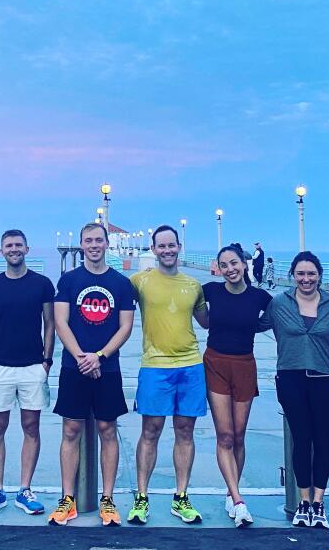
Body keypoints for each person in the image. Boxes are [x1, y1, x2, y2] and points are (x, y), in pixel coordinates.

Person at [46, 223, 135, 527]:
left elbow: (125, 327)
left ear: (107, 243)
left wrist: (99, 356)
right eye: (88, 241)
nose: (94, 245)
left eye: (99, 240)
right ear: (81, 245)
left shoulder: (121, 284)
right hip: (74, 367)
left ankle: (107, 500)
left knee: (107, 430)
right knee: (71, 431)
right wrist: (82, 357)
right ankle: (67, 499)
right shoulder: (69, 280)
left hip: (107, 368)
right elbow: (61, 322)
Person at [128, 225, 207, 525]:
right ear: (153, 248)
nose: (167, 250)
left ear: (179, 246)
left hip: (190, 366)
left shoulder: (193, 285)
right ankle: (141, 498)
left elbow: (208, 321)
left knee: (185, 432)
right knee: (151, 431)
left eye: (171, 245)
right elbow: (113, 304)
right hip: (154, 366)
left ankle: (181, 497)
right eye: (161, 246)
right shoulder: (140, 282)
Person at [0, 229, 55, 517]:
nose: (14, 249)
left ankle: (25, 489)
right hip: (0, 367)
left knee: (31, 427)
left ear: (27, 248)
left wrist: (46, 361)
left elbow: (50, 323)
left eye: (18, 245)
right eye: (8, 245)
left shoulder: (42, 284)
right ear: (1, 251)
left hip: (33, 367)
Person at [195, 243, 271, 528]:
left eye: (234, 263)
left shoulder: (259, 297)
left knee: (239, 436)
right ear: (218, 268)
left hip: (245, 365)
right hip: (215, 362)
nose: (230, 269)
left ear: (244, 263)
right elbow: (185, 298)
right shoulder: (211, 290)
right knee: (225, 435)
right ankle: (239, 500)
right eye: (224, 265)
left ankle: (231, 492)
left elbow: (278, 316)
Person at [263, 251, 329, 529]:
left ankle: (319, 503)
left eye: (311, 274)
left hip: (323, 379)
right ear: (292, 276)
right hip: (291, 379)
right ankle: (303, 502)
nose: (306, 279)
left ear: (319, 275)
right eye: (301, 274)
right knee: (301, 439)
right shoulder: (279, 303)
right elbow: (251, 323)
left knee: (322, 442)